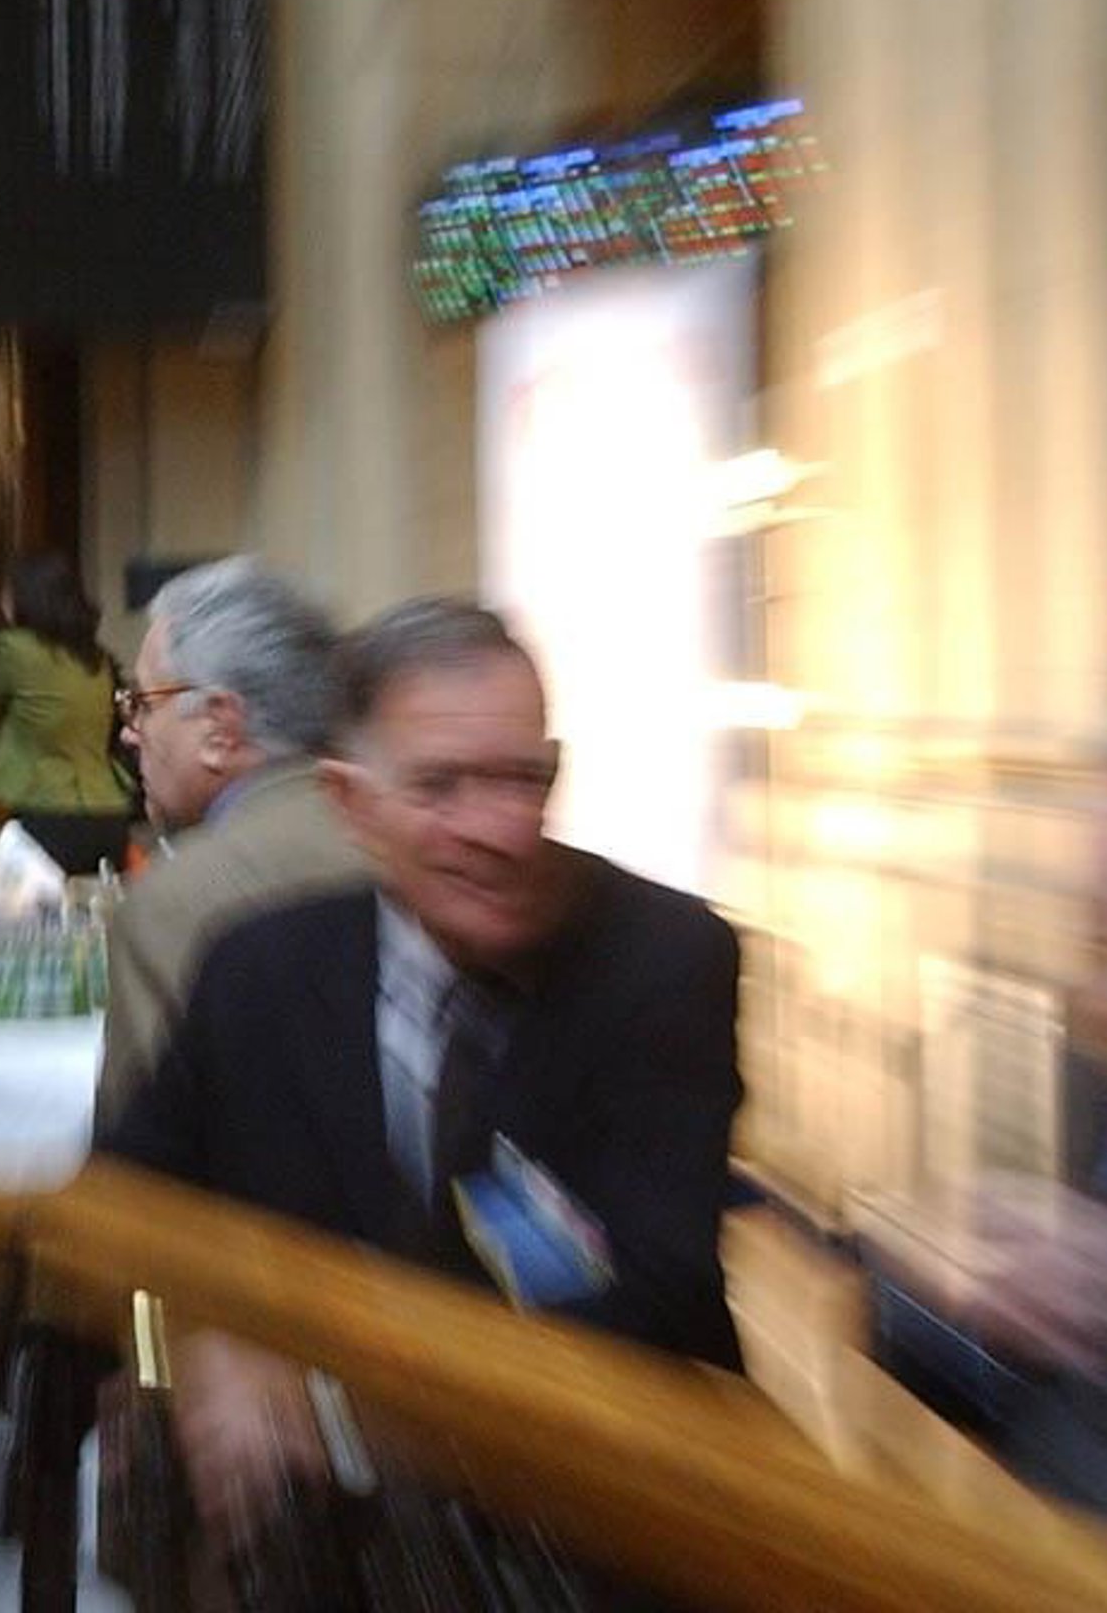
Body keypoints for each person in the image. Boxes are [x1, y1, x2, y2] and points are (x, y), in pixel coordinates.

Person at [102, 598, 744, 1527]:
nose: (501, 829)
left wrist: (338, 1404)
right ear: (349, 803)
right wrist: (196, 1341)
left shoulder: (662, 958)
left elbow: (653, 1294)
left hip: (591, 1506)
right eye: (441, 787)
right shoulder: (260, 966)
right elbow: (127, 1198)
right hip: (319, 1524)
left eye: (524, 779)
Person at [94, 557, 367, 1129]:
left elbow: (143, 1152)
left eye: (143, 704)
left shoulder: (176, 900)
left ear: (219, 729)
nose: (131, 732)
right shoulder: (396, 845)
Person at [0, 551, 133, 876]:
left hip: (39, 805)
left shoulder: (13, 647)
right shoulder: (96, 656)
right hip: (107, 807)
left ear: (23, 596)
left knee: (29, 908)